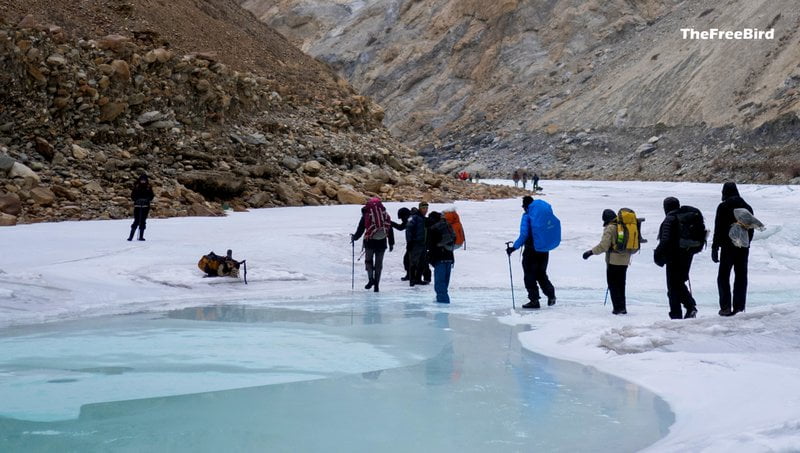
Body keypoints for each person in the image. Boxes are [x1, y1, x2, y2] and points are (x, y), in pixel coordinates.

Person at [506, 196, 557, 309]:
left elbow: (524, 235)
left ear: (526, 206)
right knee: (541, 274)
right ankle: (551, 294)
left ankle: (534, 300)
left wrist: (513, 248)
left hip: (531, 251)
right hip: (544, 249)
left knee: (529, 275)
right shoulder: (542, 216)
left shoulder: (528, 216)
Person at [712, 182, 754, 316]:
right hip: (742, 247)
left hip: (727, 246)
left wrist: (715, 247)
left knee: (723, 276)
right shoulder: (747, 207)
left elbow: (718, 228)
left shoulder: (723, 206)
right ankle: (739, 307)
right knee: (741, 276)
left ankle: (725, 307)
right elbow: (751, 229)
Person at [654, 197, 698, 319]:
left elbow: (665, 239)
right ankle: (689, 307)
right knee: (678, 283)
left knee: (672, 286)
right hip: (688, 254)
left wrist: (657, 254)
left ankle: (678, 313)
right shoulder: (686, 216)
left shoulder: (670, 219)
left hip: (673, 257)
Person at [582, 209, 631, 314]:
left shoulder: (610, 228)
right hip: (625, 260)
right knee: (621, 284)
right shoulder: (624, 226)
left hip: (613, 261)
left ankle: (617, 309)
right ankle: (622, 308)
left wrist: (590, 252)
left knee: (613, 285)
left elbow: (604, 246)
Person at [351, 198, 394, 292]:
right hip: (382, 243)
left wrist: (355, 238)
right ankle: (377, 285)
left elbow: (361, 229)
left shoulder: (366, 215)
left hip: (370, 242)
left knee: (368, 261)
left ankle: (371, 280)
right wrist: (391, 243)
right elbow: (389, 228)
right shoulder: (384, 215)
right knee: (379, 264)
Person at [426, 211, 455, 303]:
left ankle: (443, 302)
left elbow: (430, 245)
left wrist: (430, 258)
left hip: (439, 258)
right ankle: (442, 299)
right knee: (445, 282)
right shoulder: (447, 226)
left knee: (439, 283)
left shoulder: (433, 229)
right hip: (449, 257)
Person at [406, 202, 430, 286]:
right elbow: (408, 230)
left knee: (422, 262)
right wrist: (409, 242)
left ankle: (418, 279)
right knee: (414, 262)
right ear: (420, 208)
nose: (425, 210)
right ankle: (412, 279)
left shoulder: (423, 218)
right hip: (415, 243)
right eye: (424, 208)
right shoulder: (414, 217)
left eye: (426, 208)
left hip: (423, 243)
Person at [128, 173, 154, 241]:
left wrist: (146, 200)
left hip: (145, 206)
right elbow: (133, 195)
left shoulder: (148, 187)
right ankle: (131, 236)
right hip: (137, 206)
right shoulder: (136, 187)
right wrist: (137, 200)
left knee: (143, 221)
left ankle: (141, 236)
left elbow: (151, 196)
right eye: (142, 180)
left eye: (144, 180)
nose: (143, 181)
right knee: (136, 221)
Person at [392, 207, 412, 281]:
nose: (402, 220)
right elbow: (401, 227)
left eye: (401, 218)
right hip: (412, 243)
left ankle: (412, 276)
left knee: (408, 260)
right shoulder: (409, 219)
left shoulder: (411, 220)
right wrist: (391, 223)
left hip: (414, 243)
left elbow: (401, 227)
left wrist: (391, 223)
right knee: (407, 259)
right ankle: (410, 275)